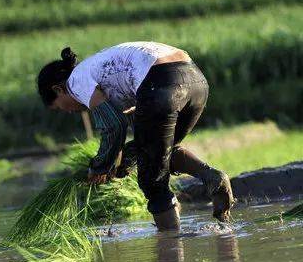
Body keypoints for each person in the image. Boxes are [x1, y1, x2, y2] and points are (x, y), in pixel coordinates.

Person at [37, 42, 234, 230]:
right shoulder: (101, 73)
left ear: (58, 89)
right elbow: (144, 134)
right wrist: (125, 161)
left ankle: (170, 245)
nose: (69, 111)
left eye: (59, 107)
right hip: (195, 81)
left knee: (151, 181)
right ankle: (213, 177)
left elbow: (114, 125)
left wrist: (100, 166)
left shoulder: (75, 81)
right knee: (158, 151)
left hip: (162, 82)